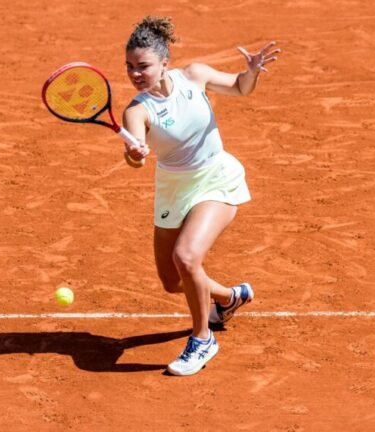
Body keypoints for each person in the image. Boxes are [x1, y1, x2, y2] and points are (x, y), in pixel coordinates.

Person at [121, 16, 280, 376]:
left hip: (215, 177)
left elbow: (240, 88)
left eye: (142, 66)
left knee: (186, 256)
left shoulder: (194, 75)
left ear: (165, 62)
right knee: (172, 280)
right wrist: (134, 155)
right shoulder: (137, 110)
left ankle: (202, 338)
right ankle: (227, 298)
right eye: (129, 67)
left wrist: (251, 72)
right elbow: (134, 154)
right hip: (173, 189)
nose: (135, 73)